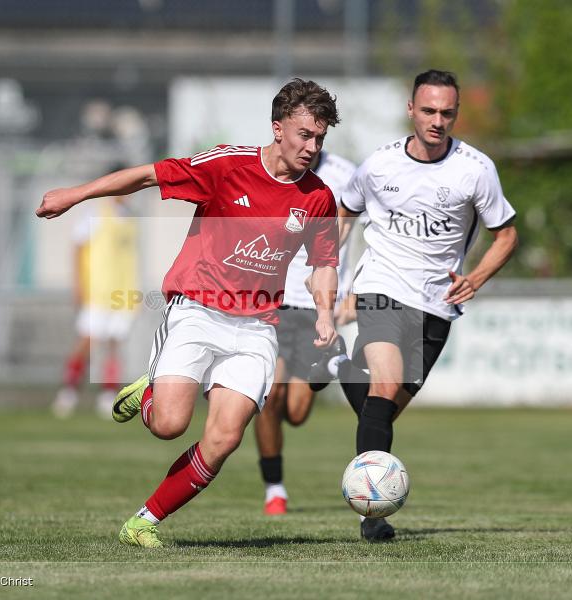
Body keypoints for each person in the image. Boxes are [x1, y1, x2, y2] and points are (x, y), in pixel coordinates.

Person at [36, 78, 342, 548]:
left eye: (320, 138)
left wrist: (324, 313)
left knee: (223, 438)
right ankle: (153, 393)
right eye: (305, 134)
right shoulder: (225, 165)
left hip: (258, 326)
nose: (312, 146)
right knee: (169, 425)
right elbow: (145, 175)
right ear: (278, 128)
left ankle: (143, 521)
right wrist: (75, 194)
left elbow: (323, 262)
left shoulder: (317, 197)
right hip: (198, 310)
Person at [309, 69, 519, 541]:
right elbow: (345, 212)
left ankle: (339, 363)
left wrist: (477, 277)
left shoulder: (476, 169)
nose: (437, 120)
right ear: (411, 110)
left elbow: (506, 234)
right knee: (383, 385)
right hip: (382, 288)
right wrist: (329, 267)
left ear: (456, 114)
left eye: (447, 112)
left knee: (382, 409)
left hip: (437, 304)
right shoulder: (379, 165)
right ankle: (372, 516)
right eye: (428, 110)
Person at [254, 149, 355, 515]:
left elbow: (360, 235)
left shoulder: (346, 174)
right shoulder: (266, 168)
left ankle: (324, 363)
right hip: (271, 302)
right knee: (266, 396)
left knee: (295, 413)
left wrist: (352, 293)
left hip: (316, 307)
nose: (309, 142)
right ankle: (274, 490)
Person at [52, 194, 139, 419]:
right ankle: (68, 391)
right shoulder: (96, 213)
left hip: (123, 293)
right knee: (87, 341)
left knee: (114, 343)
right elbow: (78, 248)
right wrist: (78, 284)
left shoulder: (129, 217)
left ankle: (108, 395)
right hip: (97, 291)